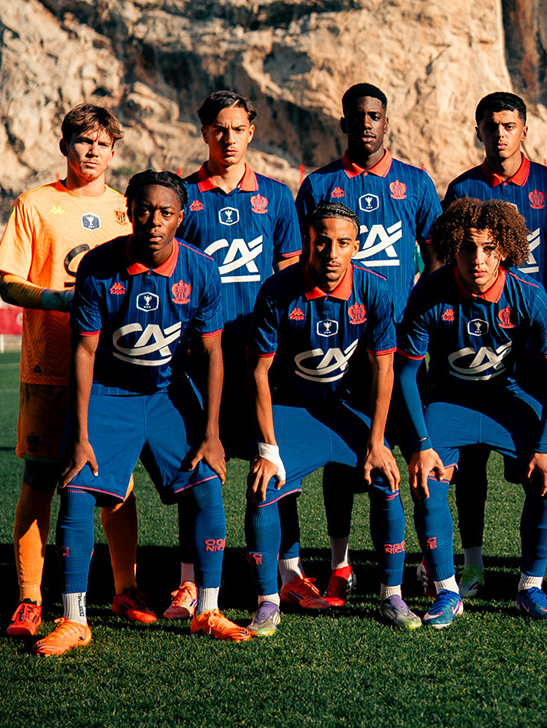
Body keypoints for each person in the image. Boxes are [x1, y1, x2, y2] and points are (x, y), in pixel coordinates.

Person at [31, 170, 249, 655]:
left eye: (165, 212)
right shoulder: (98, 266)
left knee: (207, 485)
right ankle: (74, 619)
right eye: (145, 210)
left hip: (169, 393)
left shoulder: (201, 270)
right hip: (110, 394)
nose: (154, 221)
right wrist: (80, 434)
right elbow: (84, 352)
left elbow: (212, 353)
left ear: (181, 217)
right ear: (128, 212)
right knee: (77, 491)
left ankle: (207, 610)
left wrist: (211, 433)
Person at [0, 104, 149, 638]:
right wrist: (58, 299)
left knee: (117, 485)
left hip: (111, 372)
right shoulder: (35, 204)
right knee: (39, 481)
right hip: (49, 366)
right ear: (65, 146)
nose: (92, 151)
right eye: (83, 141)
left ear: (114, 151)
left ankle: (125, 588)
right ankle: (30, 599)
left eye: (102, 143)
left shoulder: (129, 210)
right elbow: (9, 282)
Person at [288, 83, 442, 609]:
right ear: (344, 122)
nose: (367, 123)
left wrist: (424, 322)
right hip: (339, 346)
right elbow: (302, 261)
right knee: (340, 459)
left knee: (418, 452)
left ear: (386, 120)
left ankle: (427, 565)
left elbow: (435, 261)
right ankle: (341, 565)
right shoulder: (319, 183)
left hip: (402, 349)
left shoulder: (415, 183)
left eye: (375, 115)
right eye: (357, 116)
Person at [244, 201, 419, 633]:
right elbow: (258, 372)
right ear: (308, 241)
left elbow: (383, 368)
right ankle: (268, 600)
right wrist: (267, 448)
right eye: (322, 242)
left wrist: (377, 442)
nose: (331, 253)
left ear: (356, 246)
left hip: (347, 407)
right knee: (264, 484)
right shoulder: (277, 290)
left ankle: (391, 595)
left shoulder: (374, 290)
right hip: (292, 408)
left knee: (386, 478)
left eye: (343, 243)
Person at [162, 90, 302, 620]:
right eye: (218, 129)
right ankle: (189, 581)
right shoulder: (183, 197)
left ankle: (290, 575)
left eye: (238, 129)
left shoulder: (277, 197)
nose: (228, 138)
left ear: (251, 132)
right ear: (204, 132)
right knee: (198, 467)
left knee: (276, 462)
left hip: (262, 357)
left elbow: (289, 278)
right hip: (199, 358)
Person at [397, 198, 547, 627]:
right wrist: (421, 443)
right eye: (468, 248)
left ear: (504, 250)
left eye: (489, 249)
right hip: (449, 402)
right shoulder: (429, 293)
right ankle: (447, 591)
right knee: (427, 480)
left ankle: (530, 588)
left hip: (507, 399)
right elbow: (406, 373)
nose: (478, 259)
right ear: (452, 247)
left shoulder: (528, 295)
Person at [439, 91, 547, 598]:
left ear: (524, 130)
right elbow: (449, 256)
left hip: (532, 338)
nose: (500, 134)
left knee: (543, 450)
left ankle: (546, 562)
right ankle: (473, 563)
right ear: (478, 131)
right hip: (475, 333)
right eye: (491, 125)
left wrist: (529, 299)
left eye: (509, 125)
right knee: (472, 457)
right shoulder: (463, 187)